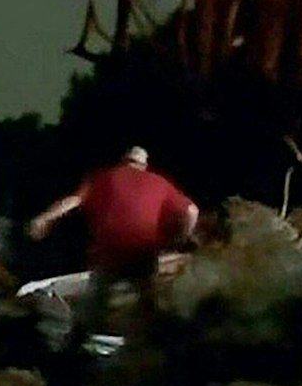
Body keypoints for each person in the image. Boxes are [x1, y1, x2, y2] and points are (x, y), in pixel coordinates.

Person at [28, 146, 198, 348]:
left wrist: (44, 219)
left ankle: (73, 346)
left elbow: (72, 201)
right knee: (147, 303)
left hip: (110, 252)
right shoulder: (160, 182)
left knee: (94, 302)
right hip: (143, 252)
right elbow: (191, 210)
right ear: (144, 165)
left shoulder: (105, 177)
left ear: (123, 161)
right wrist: (180, 238)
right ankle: (154, 348)